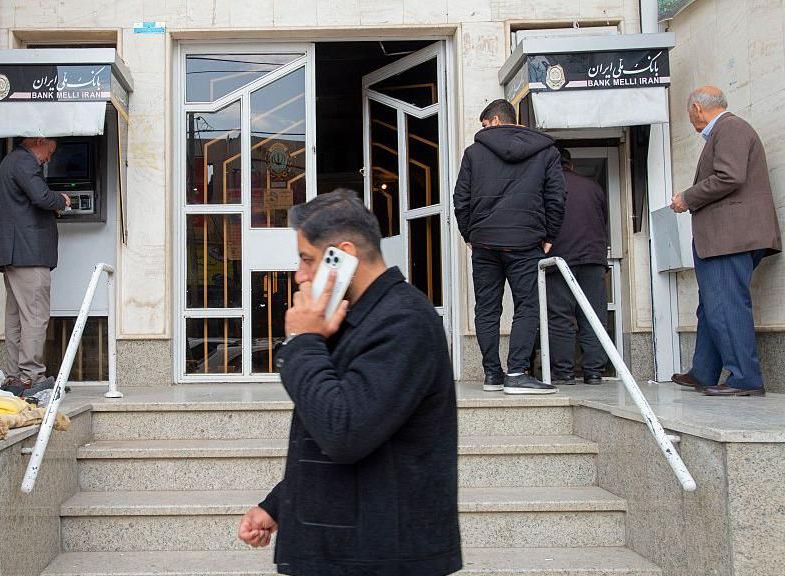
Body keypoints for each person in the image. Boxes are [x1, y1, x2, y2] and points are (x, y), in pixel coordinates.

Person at [237, 190, 462, 576]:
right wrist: (280, 503)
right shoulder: (360, 317)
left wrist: (303, 342)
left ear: (341, 255)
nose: (300, 275)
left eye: (307, 259)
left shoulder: (404, 322)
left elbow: (344, 431)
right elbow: (345, 425)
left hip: (379, 557)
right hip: (351, 549)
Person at [670, 86, 781, 397]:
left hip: (729, 238)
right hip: (728, 237)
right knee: (712, 306)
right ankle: (703, 371)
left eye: (688, 113)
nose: (690, 120)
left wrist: (687, 198)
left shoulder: (729, 128)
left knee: (726, 305)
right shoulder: (731, 129)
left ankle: (745, 377)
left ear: (697, 108)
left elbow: (730, 176)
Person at [453, 99, 565, 394]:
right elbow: (556, 197)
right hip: (526, 241)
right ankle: (516, 372)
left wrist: (470, 234)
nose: (485, 131)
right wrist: (549, 235)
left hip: (485, 243)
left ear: (497, 121)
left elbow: (460, 200)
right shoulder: (546, 152)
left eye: (486, 125)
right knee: (526, 305)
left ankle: (492, 374)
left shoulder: (474, 154)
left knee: (487, 308)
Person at [0, 137, 70, 388]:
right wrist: (61, 200)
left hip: (14, 252)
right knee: (35, 316)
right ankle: (32, 376)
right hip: (30, 253)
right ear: (40, 140)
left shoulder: (10, 161)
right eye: (51, 149)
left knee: (16, 317)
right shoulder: (25, 162)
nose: (50, 157)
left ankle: (16, 375)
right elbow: (41, 197)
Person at [547, 147, 610, 385]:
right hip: (593, 259)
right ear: (570, 164)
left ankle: (564, 372)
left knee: (560, 317)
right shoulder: (593, 187)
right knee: (593, 316)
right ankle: (594, 372)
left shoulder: (547, 187)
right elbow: (602, 220)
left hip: (560, 260)